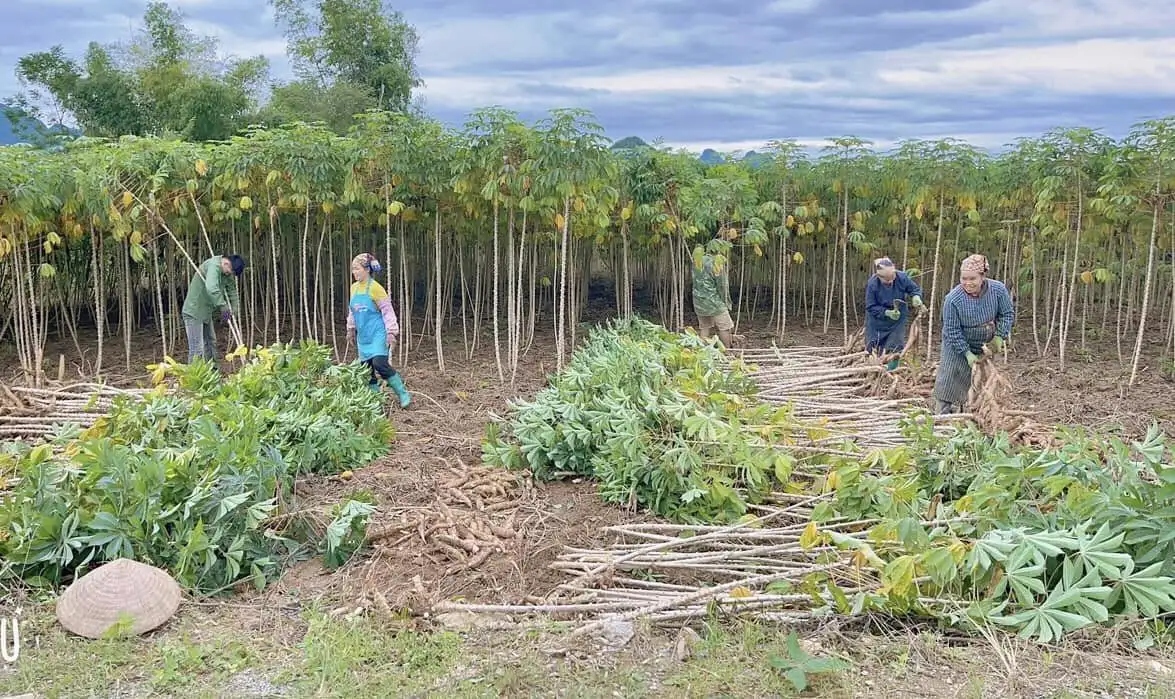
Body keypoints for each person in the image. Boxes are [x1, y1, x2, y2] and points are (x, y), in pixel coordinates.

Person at [932, 253, 1015, 414]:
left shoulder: (998, 290)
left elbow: (1007, 313)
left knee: (982, 383)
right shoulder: (953, 299)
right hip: (957, 345)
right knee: (950, 380)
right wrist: (967, 353)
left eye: (972, 279)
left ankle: (975, 415)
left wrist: (999, 336)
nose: (968, 283)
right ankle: (941, 417)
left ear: (982, 276)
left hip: (986, 345)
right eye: (964, 279)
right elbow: (952, 330)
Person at [346, 253, 411, 408]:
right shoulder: (354, 289)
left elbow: (388, 311)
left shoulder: (376, 288)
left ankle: (402, 392)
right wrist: (350, 329)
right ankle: (376, 402)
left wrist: (391, 332)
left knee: (380, 363)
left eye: (357, 269)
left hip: (377, 333)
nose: (354, 272)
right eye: (353, 269)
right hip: (363, 336)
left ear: (367, 269)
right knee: (366, 370)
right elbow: (352, 311)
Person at [181, 254, 245, 365]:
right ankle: (193, 377)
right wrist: (223, 306)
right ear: (226, 263)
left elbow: (232, 291)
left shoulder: (226, 272)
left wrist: (233, 310)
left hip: (205, 312)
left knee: (211, 342)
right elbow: (211, 288)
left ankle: (213, 372)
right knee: (197, 349)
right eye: (230, 271)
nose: (229, 274)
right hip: (193, 311)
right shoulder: (213, 266)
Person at [864, 257, 923, 371]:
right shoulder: (873, 284)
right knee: (873, 347)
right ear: (879, 277)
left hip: (897, 320)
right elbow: (870, 306)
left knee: (895, 346)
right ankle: (874, 370)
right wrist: (886, 312)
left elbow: (914, 289)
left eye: (892, 278)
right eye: (887, 280)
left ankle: (891, 370)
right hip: (877, 321)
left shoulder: (902, 277)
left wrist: (916, 297)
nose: (890, 281)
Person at [692, 232, 735, 348]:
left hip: (698, 301)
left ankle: (702, 351)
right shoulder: (717, 263)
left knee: (705, 327)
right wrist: (727, 301)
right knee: (725, 327)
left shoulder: (697, 261)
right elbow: (722, 285)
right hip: (713, 302)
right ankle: (727, 350)